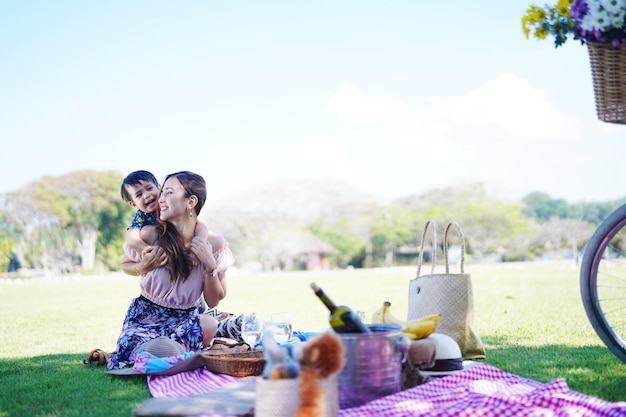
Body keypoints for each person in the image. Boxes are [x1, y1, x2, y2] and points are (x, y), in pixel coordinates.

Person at [107, 171, 234, 370]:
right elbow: (125, 264)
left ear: (190, 202)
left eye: (167, 193)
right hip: (146, 319)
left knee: (208, 324)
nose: (160, 199)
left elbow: (213, 300)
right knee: (130, 341)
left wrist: (209, 264)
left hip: (185, 318)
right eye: (162, 192)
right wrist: (143, 266)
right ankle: (174, 353)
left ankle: (164, 354)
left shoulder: (214, 244)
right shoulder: (149, 234)